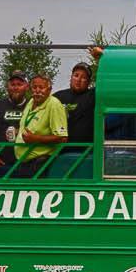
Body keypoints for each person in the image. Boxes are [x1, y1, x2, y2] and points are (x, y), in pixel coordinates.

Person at [51, 46, 104, 177]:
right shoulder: (57, 97)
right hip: (59, 156)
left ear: (89, 82)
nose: (79, 80)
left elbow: (106, 80)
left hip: (86, 155)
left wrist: (100, 59)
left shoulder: (92, 96)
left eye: (84, 77)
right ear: (71, 77)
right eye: (76, 75)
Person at [11, 72, 68, 178]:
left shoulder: (54, 105)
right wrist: (17, 132)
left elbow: (62, 138)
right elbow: (30, 127)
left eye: (41, 87)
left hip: (40, 164)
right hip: (23, 162)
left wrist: (35, 139)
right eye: (34, 87)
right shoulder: (31, 101)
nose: (37, 91)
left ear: (49, 90)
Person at [0, 71, 28, 175]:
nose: (15, 87)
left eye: (19, 84)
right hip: (2, 162)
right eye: (12, 84)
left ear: (26, 87)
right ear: (7, 87)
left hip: (26, 161)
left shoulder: (32, 105)